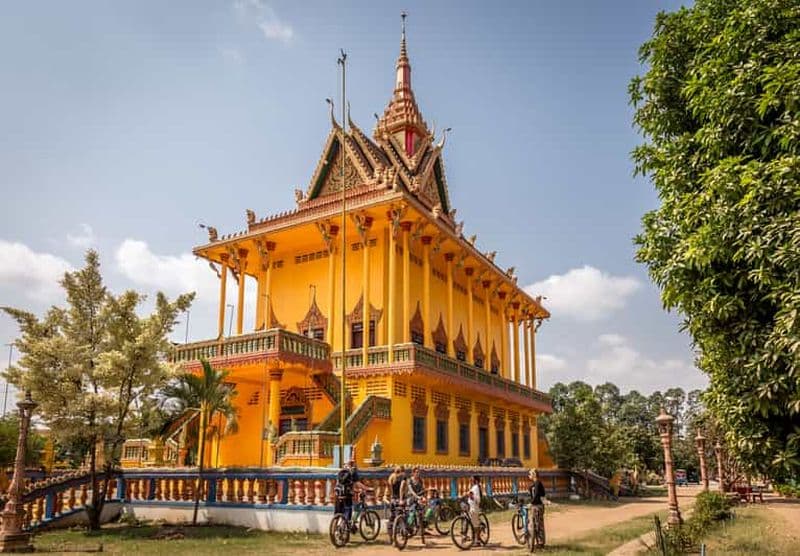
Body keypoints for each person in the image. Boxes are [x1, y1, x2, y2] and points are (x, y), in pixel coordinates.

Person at [335, 458, 366, 525]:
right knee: (348, 510)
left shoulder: (341, 472)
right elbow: (357, 483)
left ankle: (335, 527)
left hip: (338, 494)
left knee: (338, 512)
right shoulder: (352, 472)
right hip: (347, 495)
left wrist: (355, 490)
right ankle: (347, 526)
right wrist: (366, 488)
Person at [528, 469, 547, 548]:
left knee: (539, 524)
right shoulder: (535, 484)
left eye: (530, 474)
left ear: (534, 475)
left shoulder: (538, 483)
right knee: (535, 524)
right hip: (535, 506)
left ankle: (540, 543)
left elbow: (537, 495)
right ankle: (536, 541)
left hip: (538, 506)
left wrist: (531, 503)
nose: (529, 476)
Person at [387, 465, 405, 536]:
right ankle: (401, 531)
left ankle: (390, 533)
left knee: (392, 516)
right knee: (401, 515)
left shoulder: (391, 477)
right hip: (399, 499)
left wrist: (391, 496)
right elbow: (401, 489)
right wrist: (401, 499)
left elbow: (389, 487)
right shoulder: (402, 477)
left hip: (393, 499)